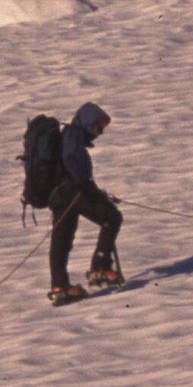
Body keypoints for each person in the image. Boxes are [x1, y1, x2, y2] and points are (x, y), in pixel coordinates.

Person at [47, 103, 124, 304]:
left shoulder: (69, 135)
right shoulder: (73, 135)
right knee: (112, 217)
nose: (99, 132)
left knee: (62, 239)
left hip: (59, 195)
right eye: (98, 126)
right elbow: (70, 158)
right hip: (72, 191)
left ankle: (60, 285)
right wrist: (86, 185)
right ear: (88, 121)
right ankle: (100, 267)